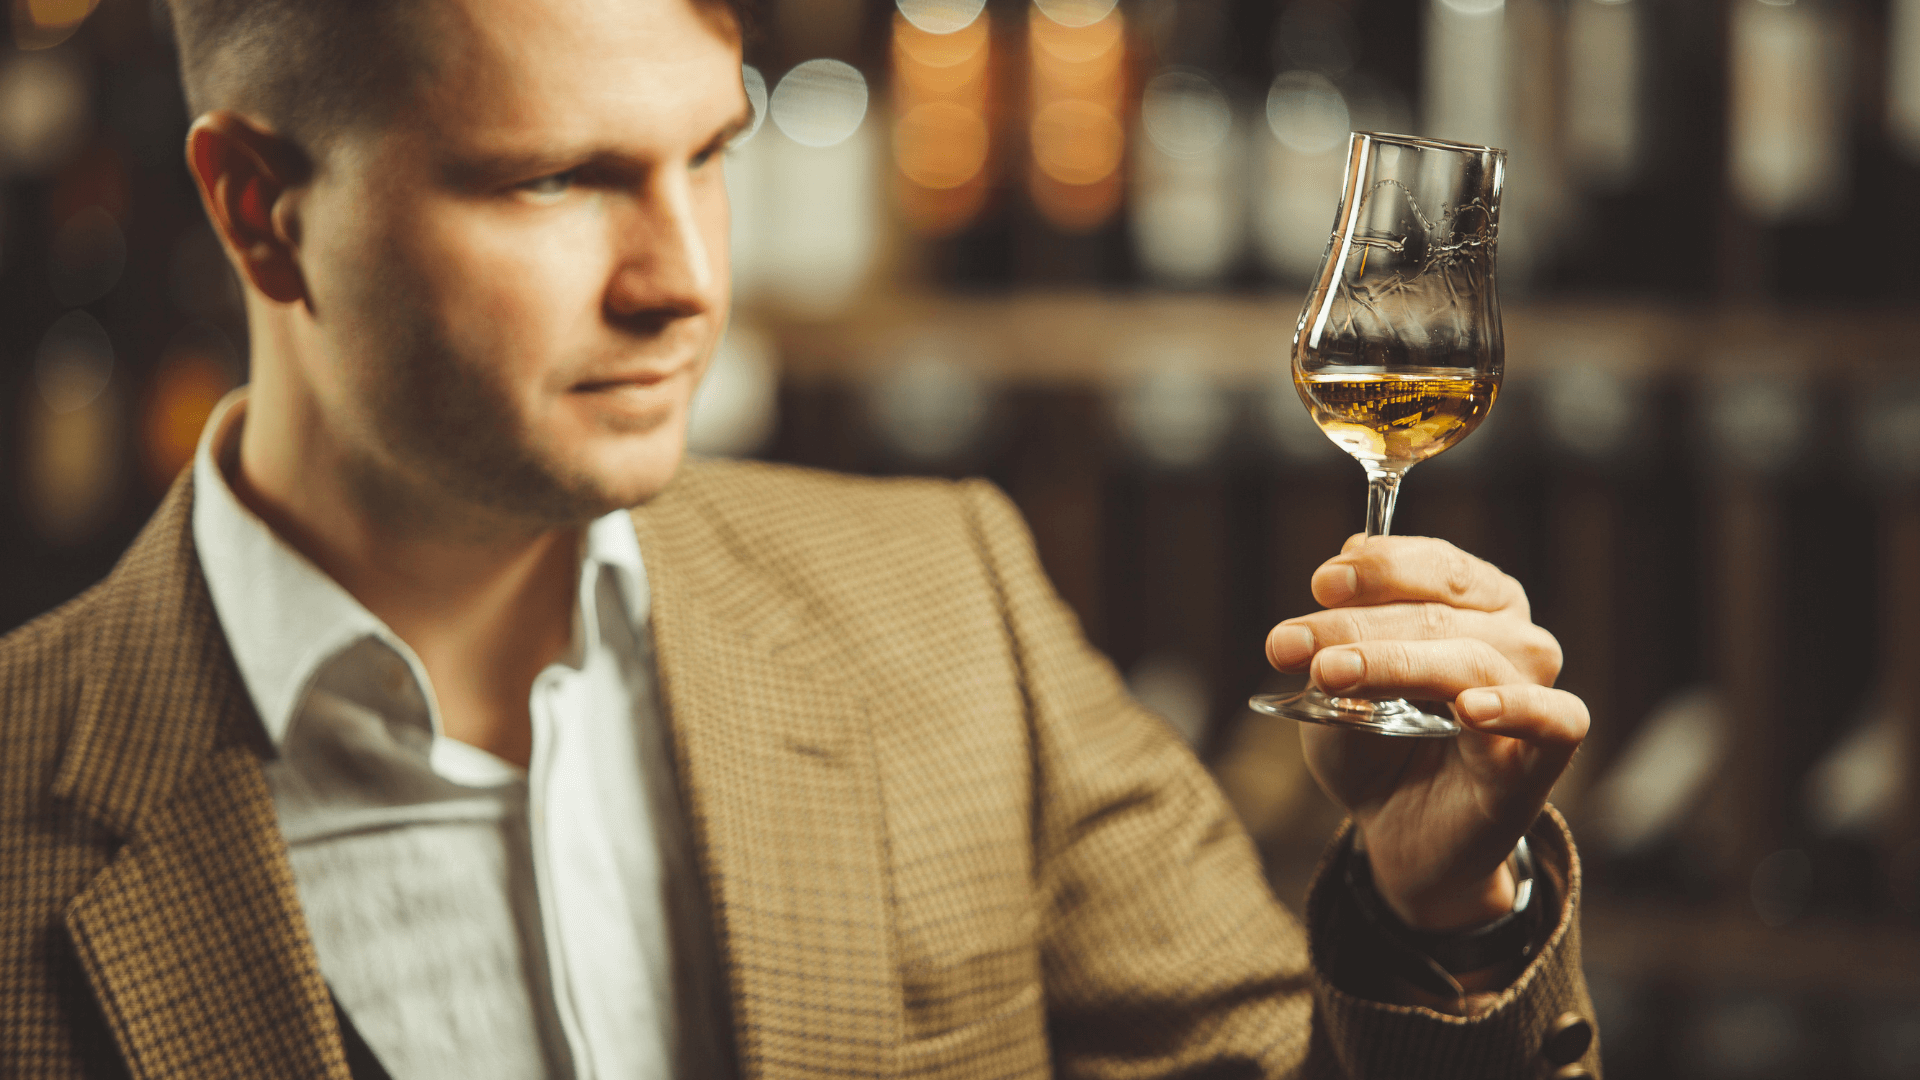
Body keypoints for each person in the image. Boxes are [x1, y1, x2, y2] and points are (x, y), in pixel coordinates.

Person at [0, 0, 1599, 1075]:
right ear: (258, 211)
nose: (686, 278)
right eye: (559, 181)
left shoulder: (945, 601)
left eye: (711, 158)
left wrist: (1425, 915)